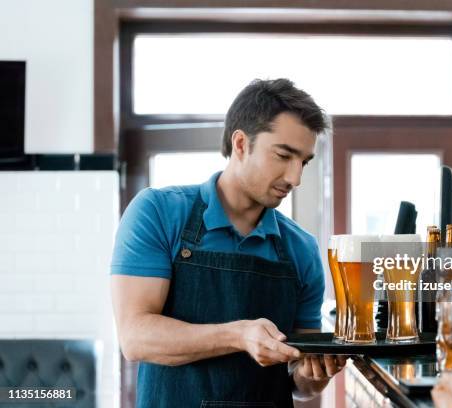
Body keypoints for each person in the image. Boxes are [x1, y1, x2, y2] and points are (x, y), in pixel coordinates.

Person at [110, 78, 346, 407]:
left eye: (303, 162)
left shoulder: (301, 250)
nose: (295, 178)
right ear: (240, 144)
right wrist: (239, 335)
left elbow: (298, 383)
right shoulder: (159, 213)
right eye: (283, 155)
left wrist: (313, 375)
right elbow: (135, 337)